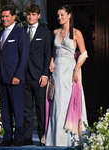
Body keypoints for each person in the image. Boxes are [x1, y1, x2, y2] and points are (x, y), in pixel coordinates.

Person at [45, 5, 88, 146]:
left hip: (70, 71)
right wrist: (51, 61)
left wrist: (76, 70)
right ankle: (56, 139)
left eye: (62, 15)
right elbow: (54, 51)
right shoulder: (55, 32)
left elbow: (84, 54)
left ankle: (71, 140)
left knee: (68, 102)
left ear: (69, 15)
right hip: (57, 71)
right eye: (58, 16)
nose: (59, 18)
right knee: (57, 102)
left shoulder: (76, 33)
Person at [0, 5, 30, 147]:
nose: (4, 19)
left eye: (7, 16)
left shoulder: (21, 33)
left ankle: (19, 137)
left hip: (15, 77)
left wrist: (18, 75)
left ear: (13, 17)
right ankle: (7, 137)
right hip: (2, 77)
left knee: (17, 108)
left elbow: (24, 56)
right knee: (5, 109)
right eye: (2, 16)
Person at [22, 4, 52, 146]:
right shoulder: (21, 32)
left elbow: (48, 55)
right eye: (29, 14)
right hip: (24, 76)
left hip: (39, 76)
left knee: (41, 108)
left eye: (33, 14)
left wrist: (45, 75)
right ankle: (27, 137)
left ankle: (42, 137)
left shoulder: (45, 33)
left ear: (38, 16)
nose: (31, 17)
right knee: (26, 109)